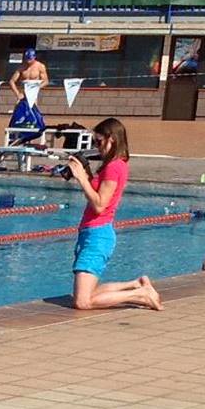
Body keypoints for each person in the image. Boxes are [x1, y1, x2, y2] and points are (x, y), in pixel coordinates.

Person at [67, 118, 162, 310]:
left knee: (83, 302)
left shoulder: (114, 167)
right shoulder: (113, 165)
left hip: (97, 235)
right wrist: (86, 174)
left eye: (99, 141)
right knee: (89, 295)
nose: (97, 146)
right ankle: (136, 286)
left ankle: (141, 293)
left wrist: (82, 179)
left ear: (112, 139)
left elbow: (100, 205)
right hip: (92, 233)